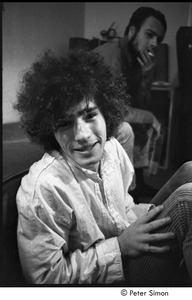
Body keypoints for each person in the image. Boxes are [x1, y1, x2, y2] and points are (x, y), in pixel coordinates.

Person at [14, 49, 192, 286]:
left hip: (128, 238)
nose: (83, 135)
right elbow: (44, 277)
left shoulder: (112, 148)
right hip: (111, 274)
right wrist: (118, 247)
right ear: (50, 130)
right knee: (187, 202)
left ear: (105, 112)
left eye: (89, 115)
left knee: (189, 170)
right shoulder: (43, 188)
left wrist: (143, 217)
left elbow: (124, 204)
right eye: (65, 123)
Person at [93, 6, 167, 201]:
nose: (153, 44)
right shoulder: (113, 55)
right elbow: (116, 110)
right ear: (132, 31)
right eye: (149, 35)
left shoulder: (135, 58)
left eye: (158, 40)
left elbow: (139, 103)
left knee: (141, 125)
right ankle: (129, 191)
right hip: (86, 114)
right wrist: (150, 117)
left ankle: (139, 183)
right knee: (125, 128)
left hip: (103, 114)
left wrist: (146, 76)